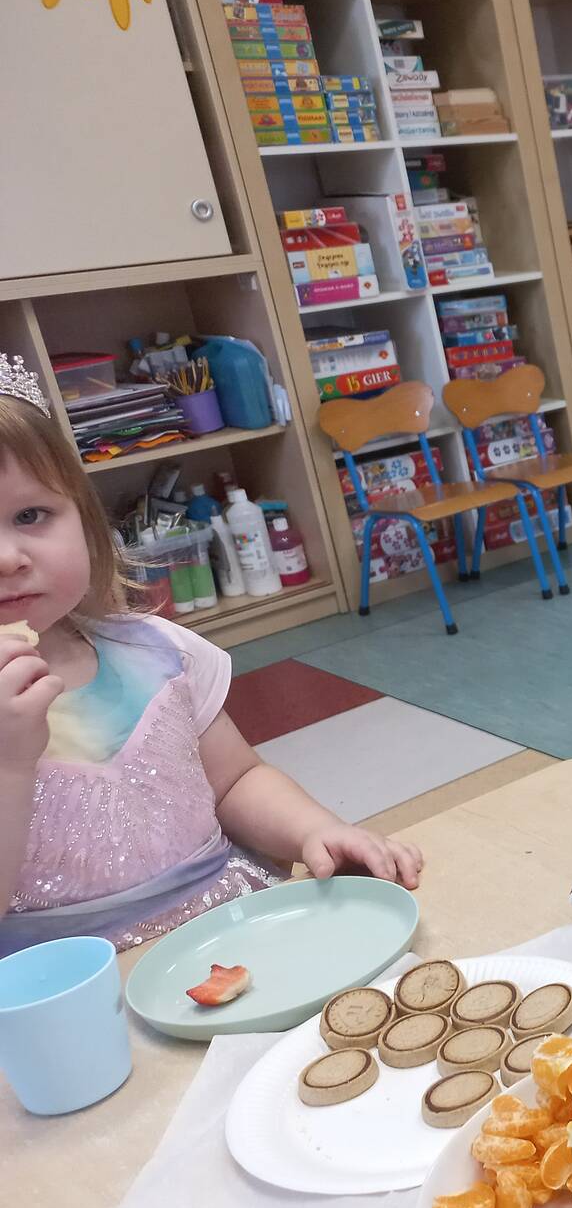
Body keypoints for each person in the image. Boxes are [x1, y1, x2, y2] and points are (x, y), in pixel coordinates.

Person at [0, 358, 422, 956]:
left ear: (85, 520)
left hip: (229, 926)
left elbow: (236, 780)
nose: (8, 557)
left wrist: (317, 830)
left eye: (30, 515)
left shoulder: (156, 652)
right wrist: (8, 765)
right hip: (66, 981)